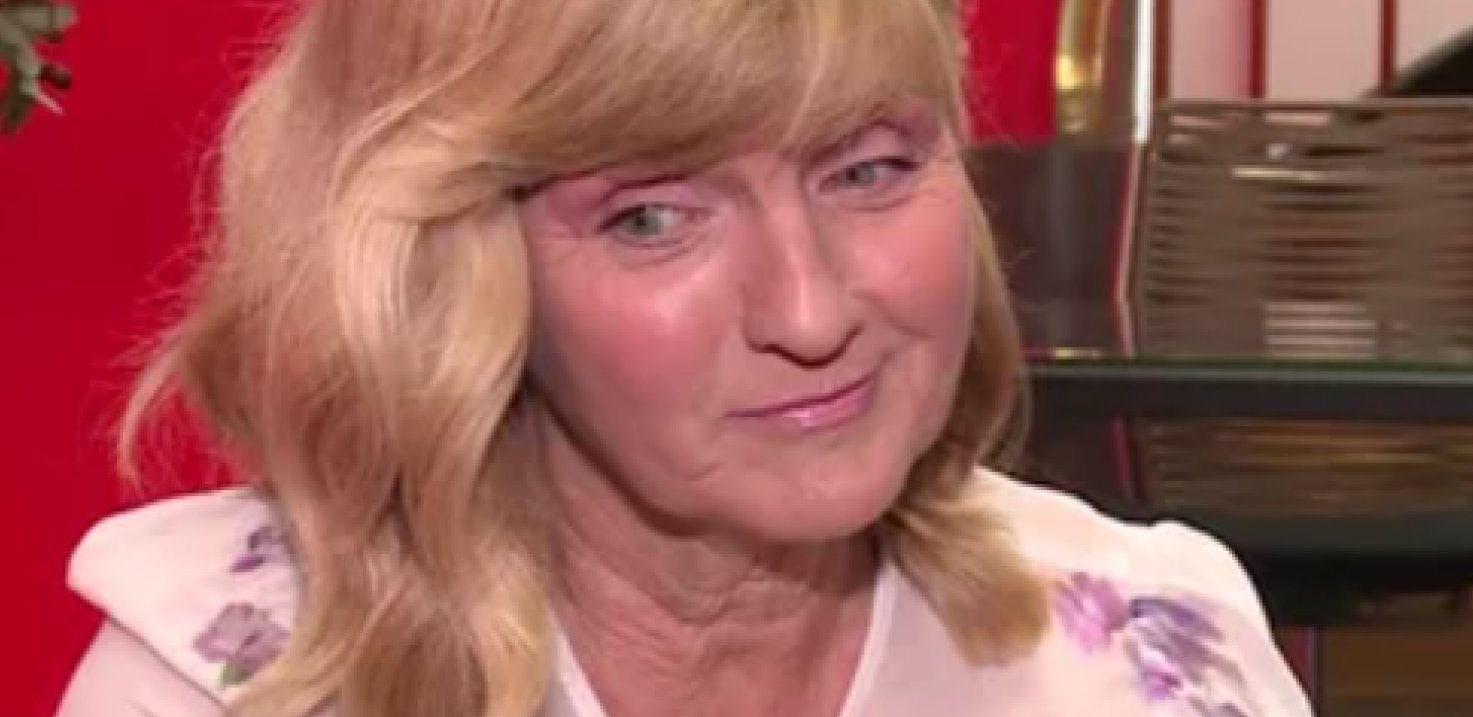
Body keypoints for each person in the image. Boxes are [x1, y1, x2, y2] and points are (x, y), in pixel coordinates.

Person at [56, 0, 1314, 715]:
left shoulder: (1154, 660)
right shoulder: (228, 686)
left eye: (868, 169)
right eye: (652, 217)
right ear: (453, 272)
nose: (809, 313)